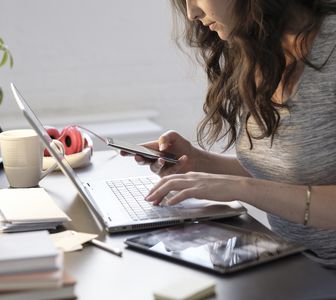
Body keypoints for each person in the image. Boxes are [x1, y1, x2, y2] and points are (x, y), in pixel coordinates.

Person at [128, 0, 336, 267]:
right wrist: (198, 162)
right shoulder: (260, 48)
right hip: (293, 262)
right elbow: (291, 174)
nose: (192, 13)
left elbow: (267, 186)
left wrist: (243, 189)